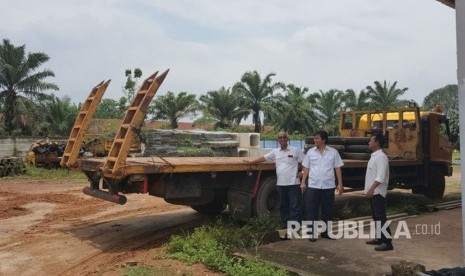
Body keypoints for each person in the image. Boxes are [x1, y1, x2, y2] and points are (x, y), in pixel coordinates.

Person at [244, 131, 306, 228]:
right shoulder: (275, 152)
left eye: (284, 137)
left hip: (293, 183)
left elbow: (306, 162)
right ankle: (285, 224)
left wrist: (302, 173)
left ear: (287, 139)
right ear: (277, 140)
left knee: (294, 206)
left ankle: (295, 226)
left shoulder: (295, 150)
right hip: (281, 184)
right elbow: (264, 158)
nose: (282, 139)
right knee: (283, 205)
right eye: (280, 138)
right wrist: (252, 161)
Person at [300, 130, 344, 241]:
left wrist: (340, 184)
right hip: (313, 186)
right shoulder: (310, 152)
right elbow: (306, 168)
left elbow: (337, 168)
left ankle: (325, 233)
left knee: (327, 211)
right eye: (314, 138)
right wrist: (303, 181)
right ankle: (312, 234)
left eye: (317, 138)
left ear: (323, 139)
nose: (315, 140)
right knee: (312, 210)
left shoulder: (333, 152)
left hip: (328, 186)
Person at [364, 133, 393, 251]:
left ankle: (387, 242)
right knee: (376, 216)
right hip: (373, 192)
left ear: (377, 143)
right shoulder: (374, 156)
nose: (369, 143)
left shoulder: (381, 157)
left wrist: (371, 189)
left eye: (371, 141)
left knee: (381, 217)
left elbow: (380, 177)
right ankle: (379, 238)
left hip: (378, 192)